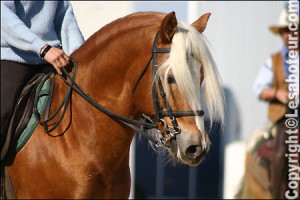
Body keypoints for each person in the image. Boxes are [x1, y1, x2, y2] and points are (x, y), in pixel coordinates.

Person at [1, 1, 84, 153]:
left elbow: (65, 17)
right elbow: (3, 15)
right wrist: (42, 48)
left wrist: (82, 60)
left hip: (51, 58)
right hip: (13, 56)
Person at [253, 8, 299, 199]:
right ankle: (278, 195)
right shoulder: (273, 61)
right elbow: (259, 88)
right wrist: (277, 93)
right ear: (280, 34)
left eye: (293, 30)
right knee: (280, 154)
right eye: (285, 30)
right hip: (285, 116)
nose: (289, 34)